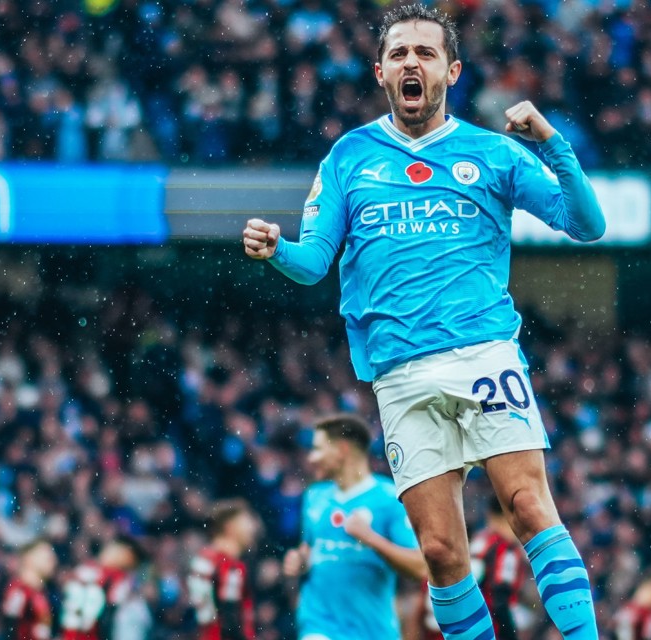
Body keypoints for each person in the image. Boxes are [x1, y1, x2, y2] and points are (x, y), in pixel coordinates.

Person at [243, 4, 604, 639]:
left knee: (525, 504)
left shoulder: (493, 153)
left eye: (427, 53)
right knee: (440, 552)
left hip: (484, 353)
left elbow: (587, 224)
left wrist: (551, 142)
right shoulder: (349, 157)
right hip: (399, 374)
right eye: (401, 53)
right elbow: (313, 263)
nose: (413, 62)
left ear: (452, 70)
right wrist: (277, 251)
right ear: (381, 70)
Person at [282, 415, 428, 639]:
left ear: (342, 449)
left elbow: (420, 568)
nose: (312, 458)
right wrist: (300, 561)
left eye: (318, 449)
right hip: (319, 625)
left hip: (372, 630)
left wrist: (371, 539)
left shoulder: (389, 499)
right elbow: (309, 549)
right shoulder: (315, 496)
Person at [419, 494, 530, 640]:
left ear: (489, 513)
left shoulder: (476, 541)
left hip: (447, 629)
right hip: (482, 632)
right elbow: (500, 601)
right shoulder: (505, 549)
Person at [188, 499, 261, 640]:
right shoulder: (213, 564)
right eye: (247, 522)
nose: (253, 528)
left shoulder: (231, 564)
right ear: (230, 527)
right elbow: (219, 620)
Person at [60, 535, 151, 640]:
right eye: (114, 549)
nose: (114, 555)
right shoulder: (86, 570)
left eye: (123, 554)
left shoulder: (122, 583)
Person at [4, 539, 58, 640]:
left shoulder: (43, 592)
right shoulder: (19, 590)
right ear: (29, 558)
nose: (54, 561)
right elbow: (10, 626)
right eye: (48, 557)